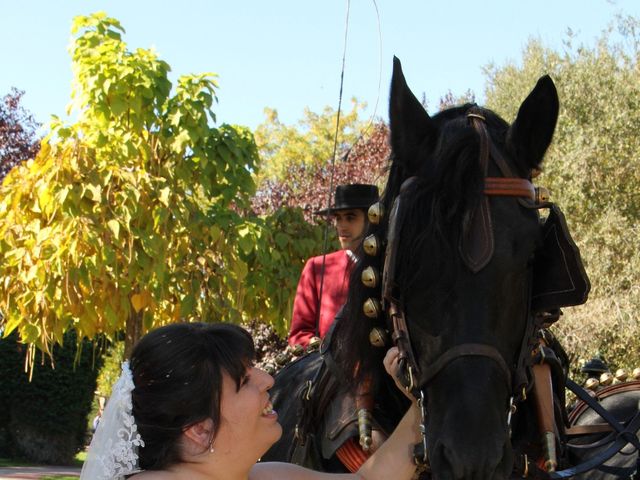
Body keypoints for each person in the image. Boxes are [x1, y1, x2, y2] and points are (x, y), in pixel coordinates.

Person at [80, 322, 419, 480]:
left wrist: (421, 398)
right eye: (244, 381)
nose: (269, 380)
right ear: (199, 429)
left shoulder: (264, 476)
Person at [288, 184, 379, 347]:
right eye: (338, 218)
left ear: (371, 219)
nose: (342, 226)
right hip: (332, 368)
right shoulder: (317, 267)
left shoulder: (387, 266)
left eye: (350, 218)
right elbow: (299, 334)